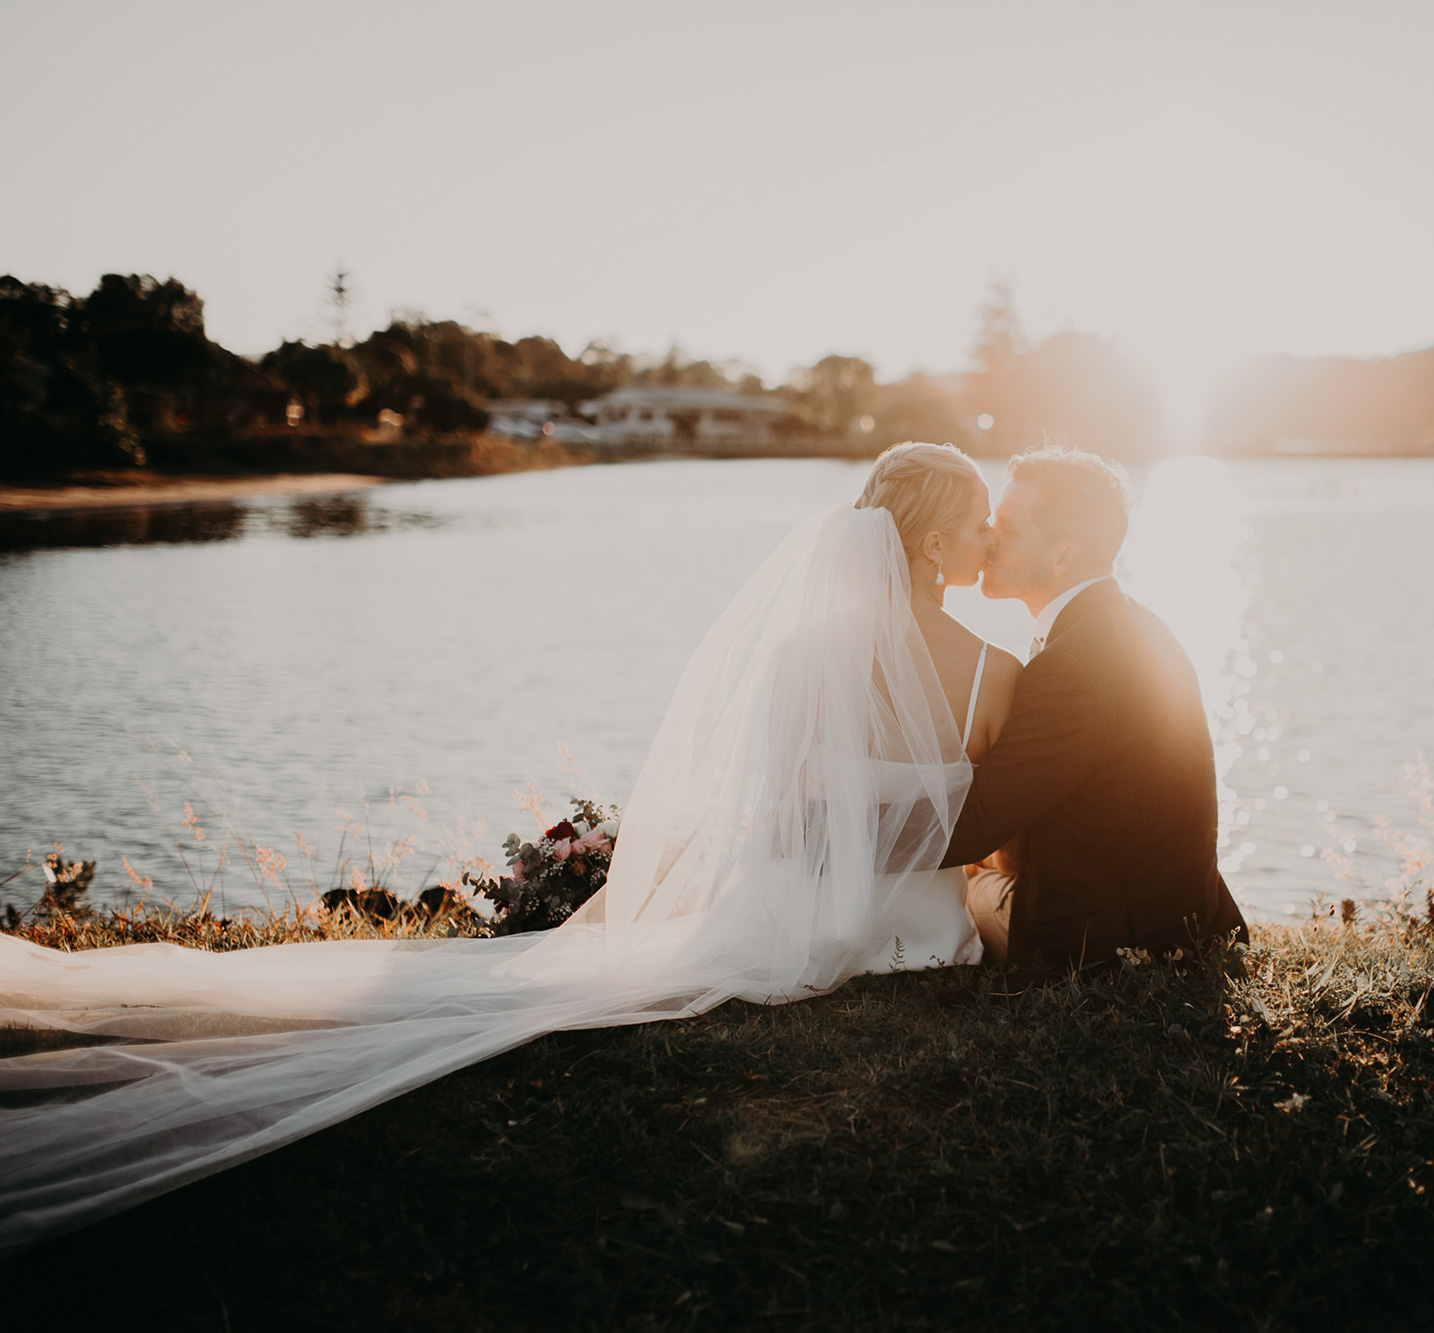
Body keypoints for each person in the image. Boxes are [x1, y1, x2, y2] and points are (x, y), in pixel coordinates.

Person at [0, 442, 1020, 1256]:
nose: (991, 535)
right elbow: (983, 822)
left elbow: (782, 810)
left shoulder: (803, 653)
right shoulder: (996, 668)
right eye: (977, 519)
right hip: (922, 922)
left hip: (802, 908)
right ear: (932, 543)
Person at [943, 446, 1247, 965]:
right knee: (975, 870)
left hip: (1103, 941)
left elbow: (972, 825)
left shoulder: (1074, 666)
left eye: (1009, 531)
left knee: (949, 892)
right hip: (1171, 914)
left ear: (1064, 556)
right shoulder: (1133, 624)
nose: (989, 542)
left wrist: (840, 840)